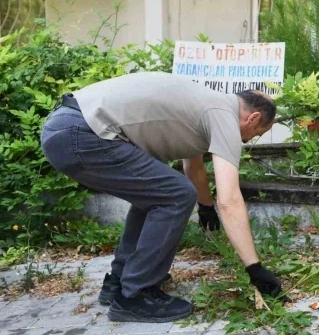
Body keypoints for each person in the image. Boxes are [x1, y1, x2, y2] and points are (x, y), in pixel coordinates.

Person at [41, 72, 286, 323]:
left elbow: (194, 167)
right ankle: (136, 294)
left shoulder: (205, 105)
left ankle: (120, 281)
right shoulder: (223, 115)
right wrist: (255, 269)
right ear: (253, 117)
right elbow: (230, 200)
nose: (247, 140)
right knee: (176, 194)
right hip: (82, 134)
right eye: (255, 134)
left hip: (65, 128)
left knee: (158, 193)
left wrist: (205, 207)